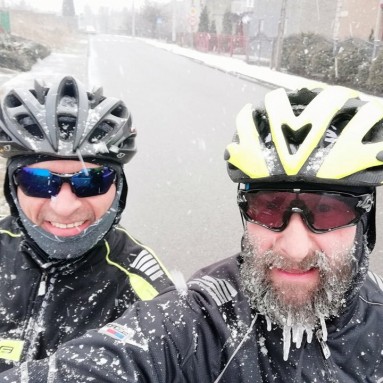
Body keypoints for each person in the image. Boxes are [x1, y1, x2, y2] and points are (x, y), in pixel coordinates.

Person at [1, 84, 383, 383]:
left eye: (330, 211)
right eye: (268, 207)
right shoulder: (197, 320)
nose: (295, 247)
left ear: (366, 222)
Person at [0, 76, 172, 373]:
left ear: (118, 189)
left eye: (90, 181)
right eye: (39, 181)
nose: (64, 206)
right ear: (12, 188)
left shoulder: (147, 294)